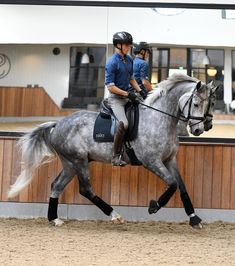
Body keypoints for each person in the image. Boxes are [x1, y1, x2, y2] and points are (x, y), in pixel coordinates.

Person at [105, 31, 146, 166]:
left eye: (129, 45)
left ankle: (134, 151)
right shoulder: (111, 62)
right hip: (116, 99)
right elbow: (110, 87)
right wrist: (128, 94)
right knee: (124, 123)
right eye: (127, 45)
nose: (129, 47)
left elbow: (131, 78)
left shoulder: (129, 60)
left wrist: (141, 91)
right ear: (118, 45)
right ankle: (115, 156)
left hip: (128, 95)